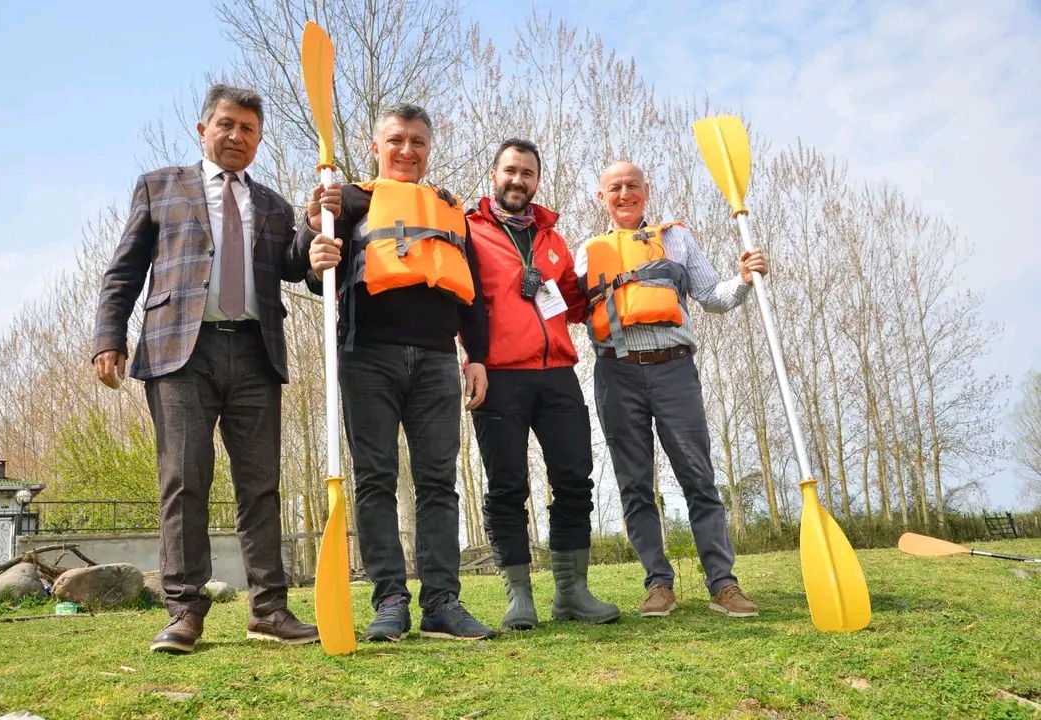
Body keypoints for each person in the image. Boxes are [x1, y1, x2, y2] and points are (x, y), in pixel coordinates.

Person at [93, 84, 342, 653]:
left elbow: (295, 269)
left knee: (262, 487)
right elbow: (123, 271)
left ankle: (269, 609)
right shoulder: (161, 188)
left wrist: (315, 237)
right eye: (226, 125)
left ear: (258, 140)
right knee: (184, 481)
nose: (237, 137)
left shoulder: (275, 205)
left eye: (249, 129)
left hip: (256, 353)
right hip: (180, 354)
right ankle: (184, 612)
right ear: (203, 129)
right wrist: (109, 336)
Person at [305, 103, 494, 642]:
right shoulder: (347, 200)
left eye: (417, 141)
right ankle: (390, 599)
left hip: (436, 360)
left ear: (429, 148)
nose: (407, 150)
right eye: (396, 140)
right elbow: (305, 258)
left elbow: (473, 295)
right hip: (367, 356)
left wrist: (475, 355)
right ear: (375, 146)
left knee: (439, 484)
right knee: (376, 481)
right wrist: (311, 220)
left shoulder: (449, 208)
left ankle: (442, 604)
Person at [574, 160, 768, 619]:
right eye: (614, 188)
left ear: (647, 190)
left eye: (632, 186)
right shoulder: (586, 252)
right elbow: (562, 307)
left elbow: (713, 298)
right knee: (635, 485)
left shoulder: (677, 238)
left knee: (698, 477)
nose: (624, 194)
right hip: (616, 373)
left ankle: (722, 583)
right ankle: (658, 584)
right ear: (600, 197)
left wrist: (743, 278)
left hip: (674, 371)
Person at [466, 139, 619, 630]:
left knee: (574, 481)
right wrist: (472, 358)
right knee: (506, 487)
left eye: (528, 173)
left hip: (558, 376)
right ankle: (519, 598)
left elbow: (573, 306)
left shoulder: (553, 239)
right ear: (494, 175)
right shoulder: (468, 232)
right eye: (510, 171)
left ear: (537, 181)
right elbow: (459, 302)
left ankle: (572, 593)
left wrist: (605, 280)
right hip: (499, 375)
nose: (518, 180)